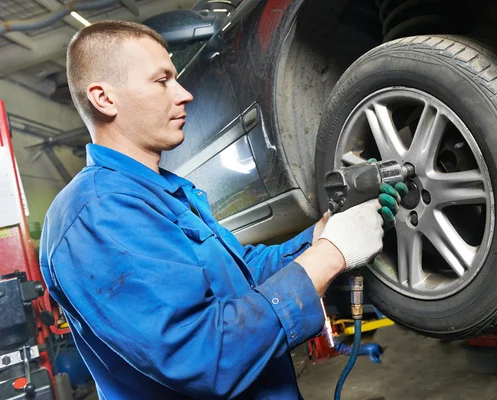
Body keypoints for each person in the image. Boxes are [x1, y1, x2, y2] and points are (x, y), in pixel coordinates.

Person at [39, 21, 407, 399]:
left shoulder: (163, 191)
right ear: (104, 99)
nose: (184, 94)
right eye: (161, 80)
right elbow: (205, 357)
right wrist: (331, 256)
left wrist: (324, 234)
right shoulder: (97, 213)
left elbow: (244, 276)